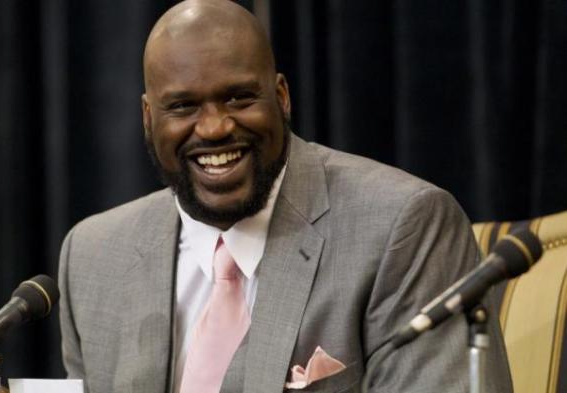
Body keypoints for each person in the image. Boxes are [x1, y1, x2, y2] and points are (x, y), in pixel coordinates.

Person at [58, 0, 513, 392]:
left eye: (239, 98)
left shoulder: (404, 227)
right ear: (147, 117)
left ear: (281, 97)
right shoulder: (94, 258)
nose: (215, 127)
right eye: (183, 106)